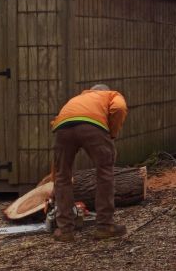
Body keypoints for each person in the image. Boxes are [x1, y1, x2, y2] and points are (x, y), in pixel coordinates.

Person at [50, 84, 129, 242]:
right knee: (104, 172)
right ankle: (105, 226)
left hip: (62, 127)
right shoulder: (111, 95)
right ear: (104, 91)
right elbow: (119, 108)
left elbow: (60, 119)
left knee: (63, 176)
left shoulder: (77, 98)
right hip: (92, 125)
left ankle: (65, 230)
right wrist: (111, 133)